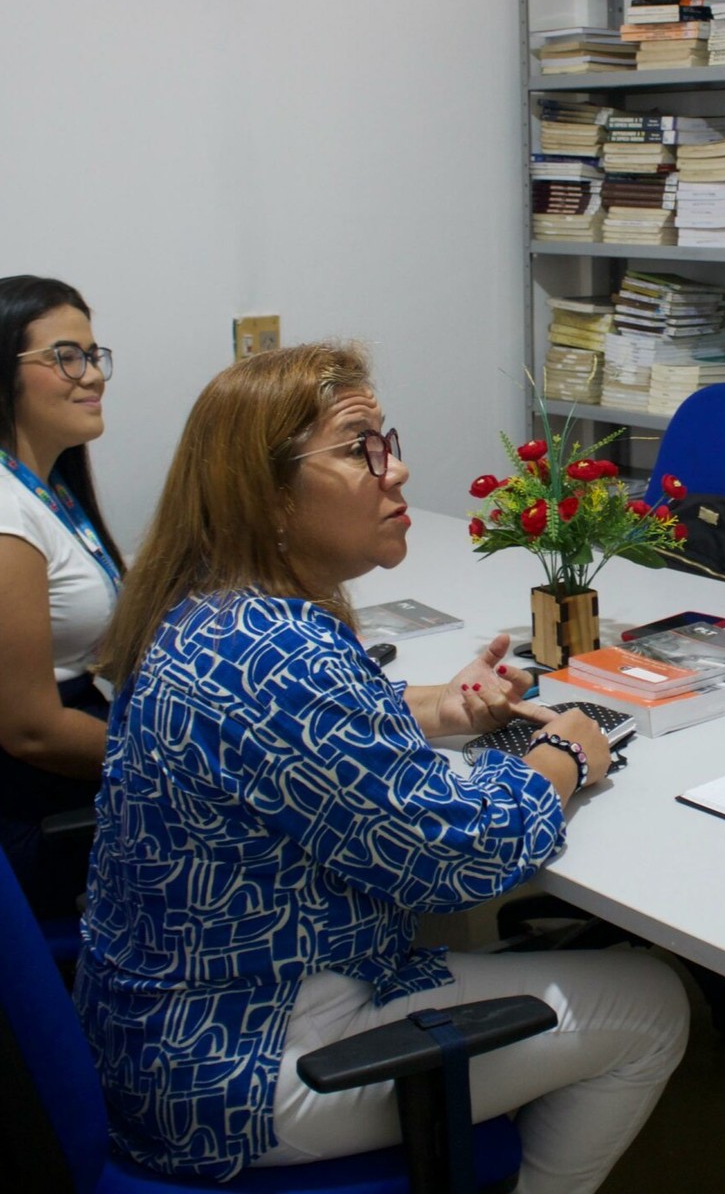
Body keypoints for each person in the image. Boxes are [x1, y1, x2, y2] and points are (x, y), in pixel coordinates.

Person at [73, 342, 687, 1193]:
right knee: (652, 1005)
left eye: (384, 439)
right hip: (241, 1067)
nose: (395, 469)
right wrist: (563, 757)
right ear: (270, 492)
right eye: (360, 447)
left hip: (171, 1031)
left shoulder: (215, 614)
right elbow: (454, 860)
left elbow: (282, 740)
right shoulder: (286, 657)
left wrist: (430, 707)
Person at [0, 274, 123, 918]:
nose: (93, 375)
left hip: (76, 763)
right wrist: (176, 760)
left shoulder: (48, 489)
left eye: (94, 355)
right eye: (65, 357)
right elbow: (32, 732)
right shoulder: (5, 514)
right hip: (36, 807)